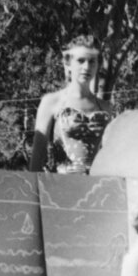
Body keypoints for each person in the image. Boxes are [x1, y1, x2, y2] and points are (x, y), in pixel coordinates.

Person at [30, 35, 115, 174]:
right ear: (68, 64)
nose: (86, 67)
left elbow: (110, 155)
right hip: (61, 188)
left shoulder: (105, 107)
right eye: (81, 61)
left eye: (92, 61)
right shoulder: (52, 102)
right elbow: (37, 157)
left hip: (97, 187)